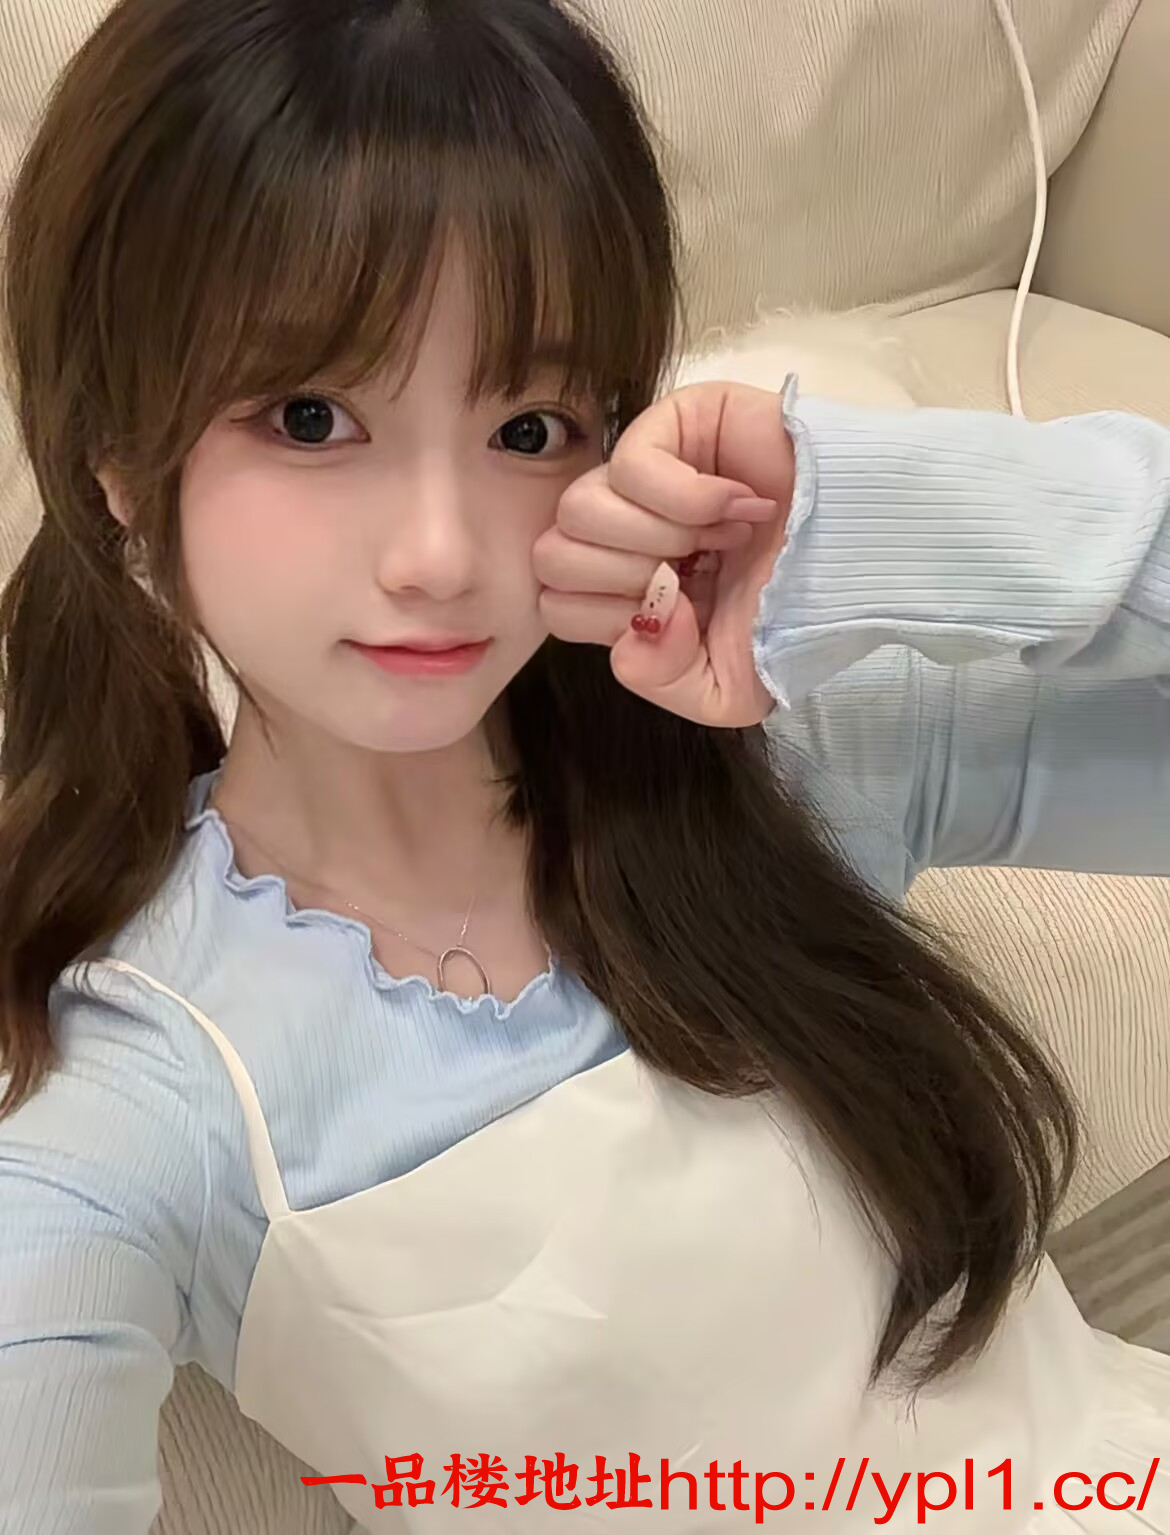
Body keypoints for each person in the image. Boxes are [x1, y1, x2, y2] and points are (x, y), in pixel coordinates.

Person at [0, 0, 1167, 1529]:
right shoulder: (139, 1092)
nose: (439, 554)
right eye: (311, 416)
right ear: (116, 464)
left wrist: (903, 514)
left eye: (530, 425)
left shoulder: (761, 753)